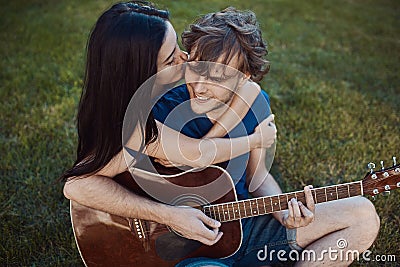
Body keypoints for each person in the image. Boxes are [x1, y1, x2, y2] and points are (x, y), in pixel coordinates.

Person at [151, 7, 380, 267]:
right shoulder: (166, 109)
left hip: (247, 227)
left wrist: (284, 215)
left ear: (243, 78)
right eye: (197, 69)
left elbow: (257, 178)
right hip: (191, 247)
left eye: (218, 79)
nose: (201, 87)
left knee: (363, 215)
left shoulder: (256, 104)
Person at [61, 0, 277, 257]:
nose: (184, 59)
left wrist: (244, 100)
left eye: (178, 47)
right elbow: (197, 153)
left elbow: (242, 165)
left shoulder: (181, 93)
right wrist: (254, 140)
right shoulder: (146, 122)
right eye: (169, 58)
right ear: (143, 73)